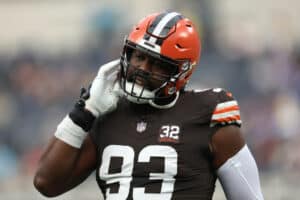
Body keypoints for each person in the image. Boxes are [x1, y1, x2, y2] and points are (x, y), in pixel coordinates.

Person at [33, 11, 264, 200]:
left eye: (156, 63)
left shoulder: (208, 112)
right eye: (139, 56)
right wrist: (85, 109)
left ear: (180, 71)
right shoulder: (106, 115)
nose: (142, 68)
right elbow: (46, 183)